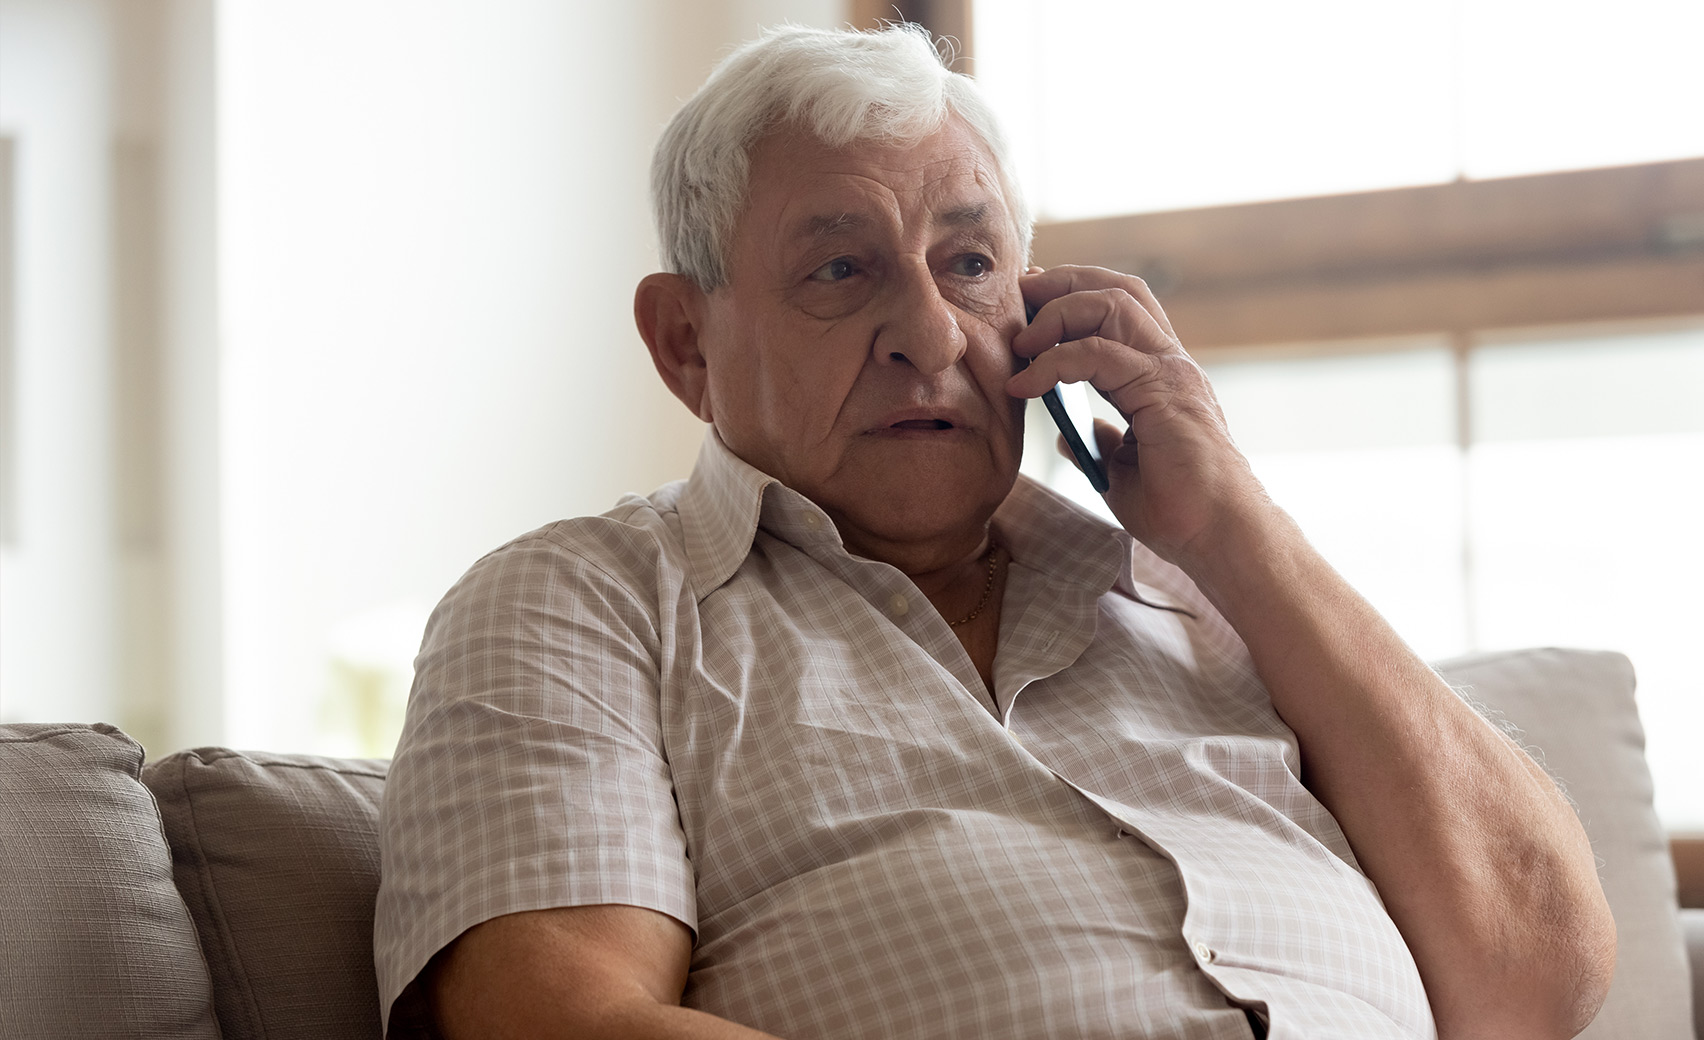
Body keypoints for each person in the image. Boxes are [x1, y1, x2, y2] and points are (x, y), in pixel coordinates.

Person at [374, 24, 1615, 1040]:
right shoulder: (583, 602)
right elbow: (555, 1017)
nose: (930, 330)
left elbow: (1537, 978)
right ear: (686, 343)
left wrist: (1233, 521)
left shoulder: (1215, 597)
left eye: (969, 260)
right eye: (841, 272)